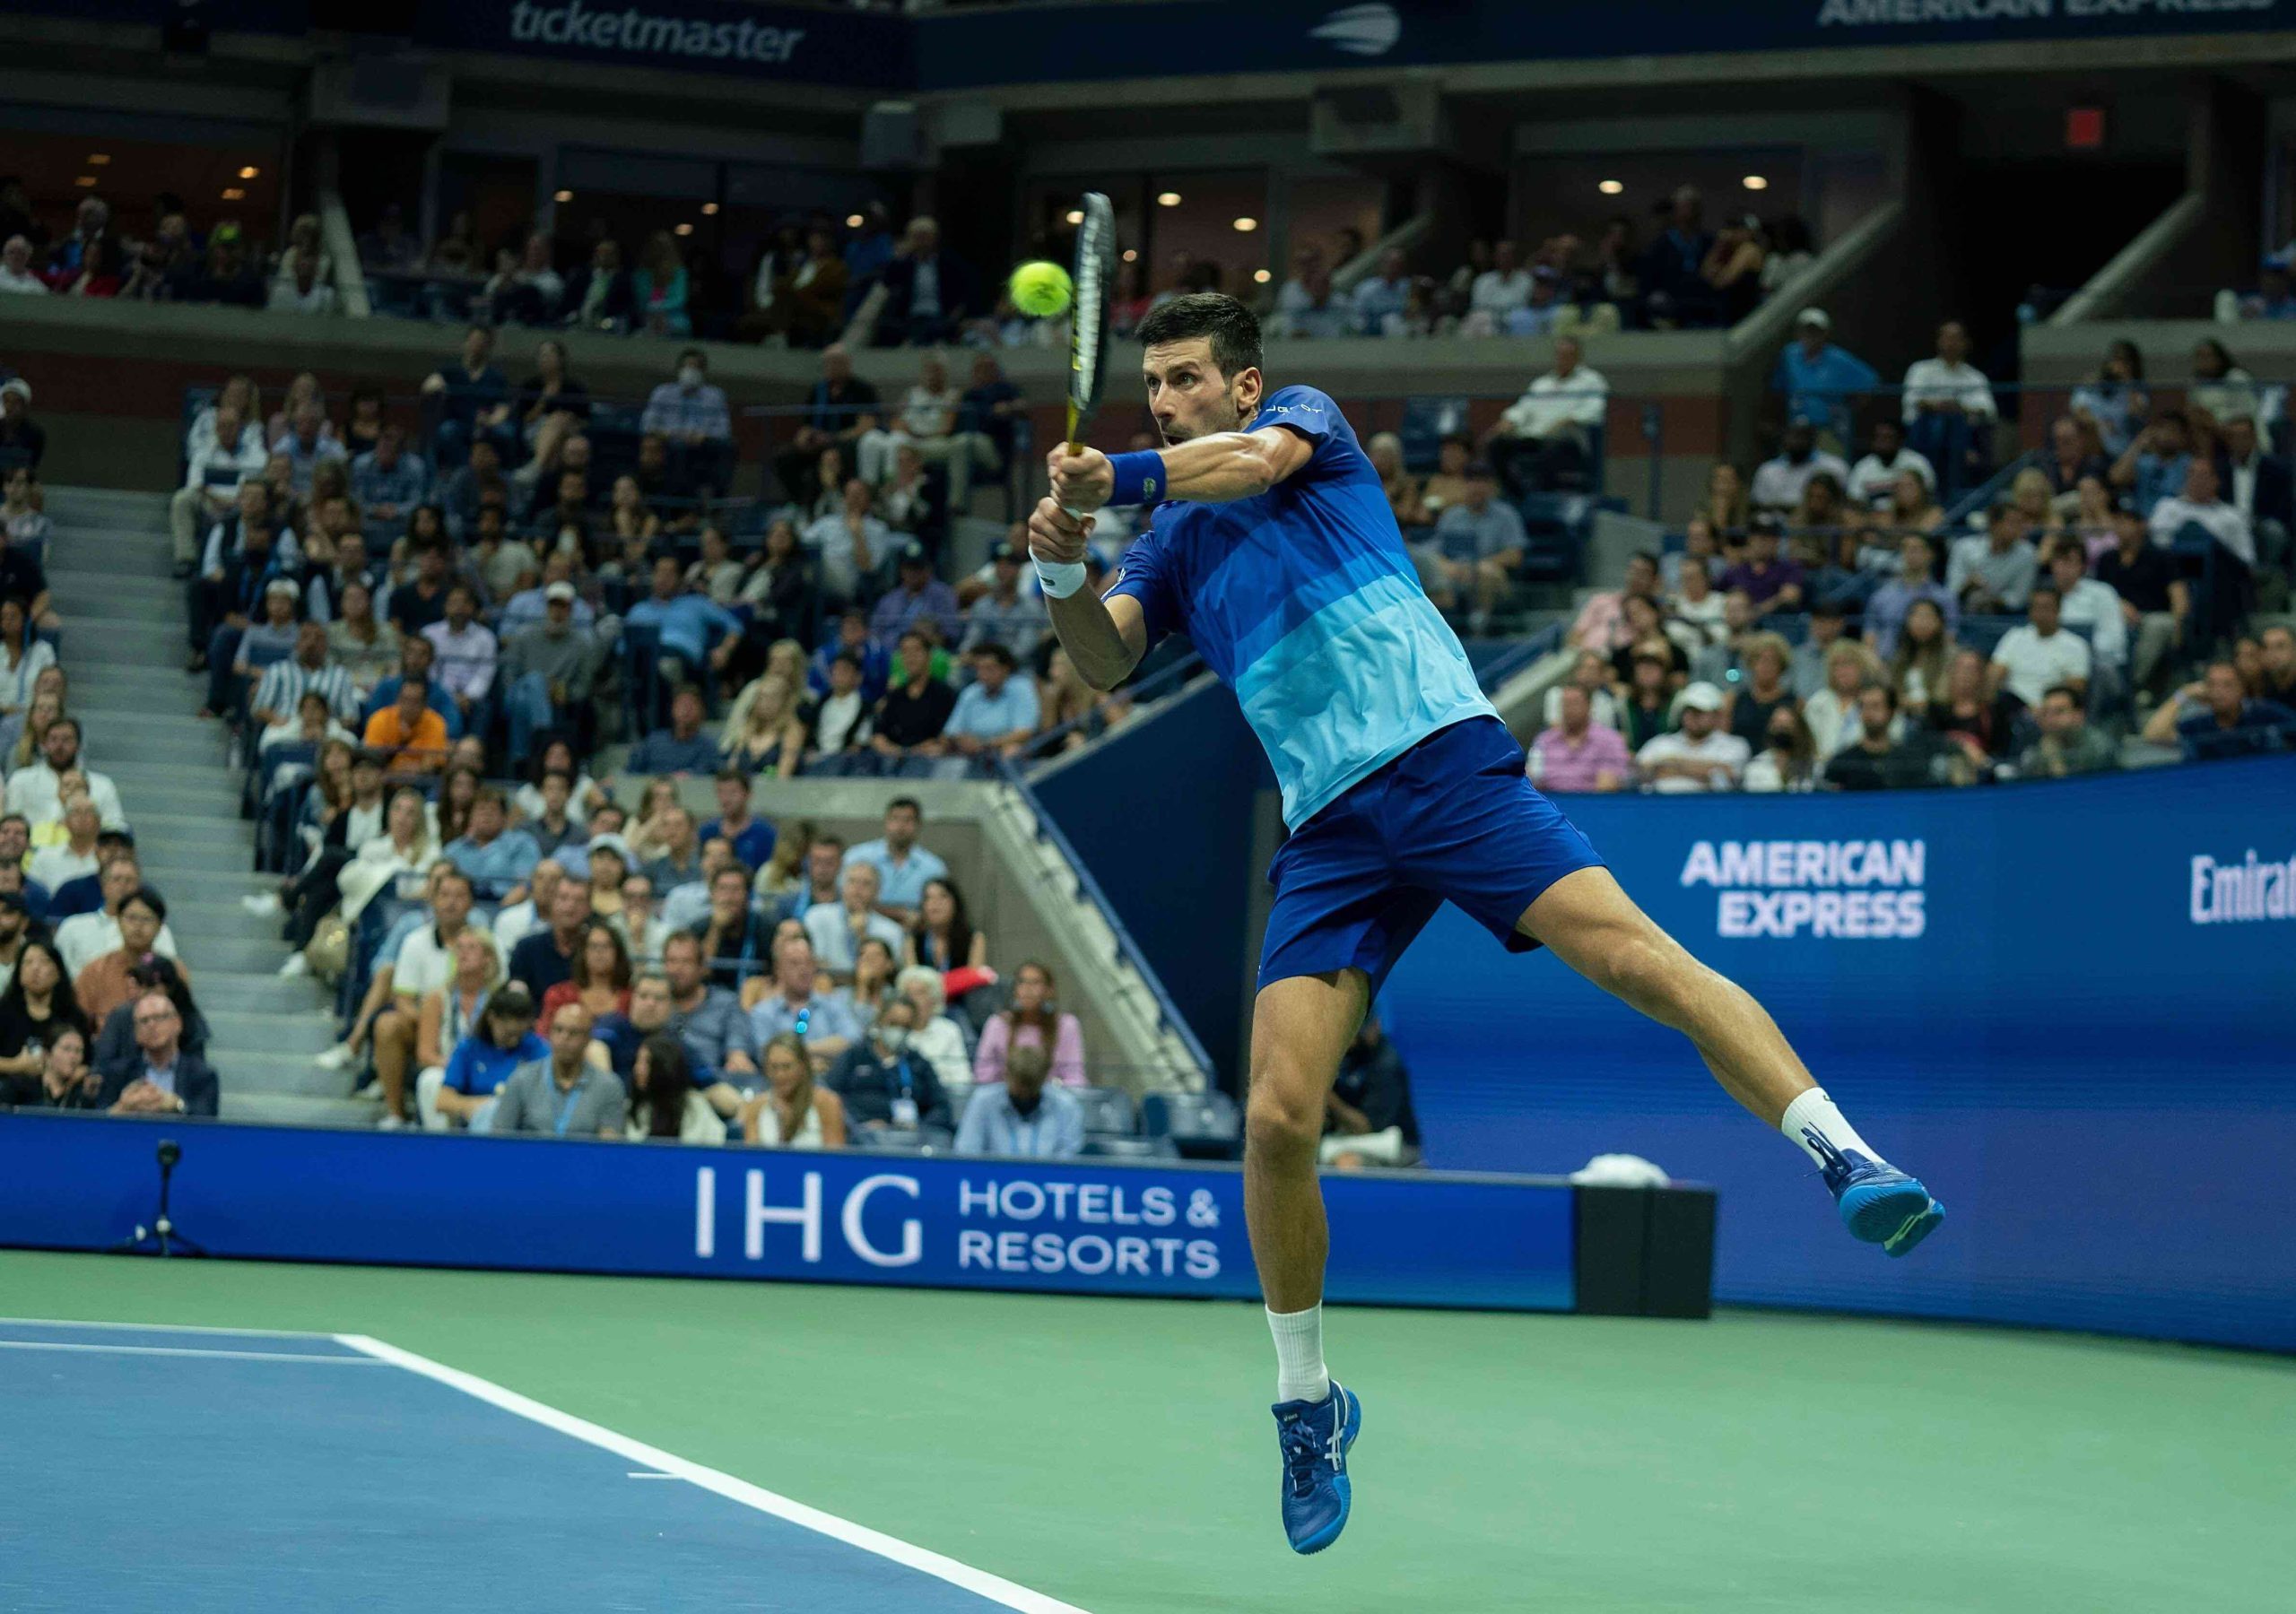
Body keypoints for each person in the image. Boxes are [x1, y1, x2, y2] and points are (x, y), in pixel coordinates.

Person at [1032, 290, 1944, 1552]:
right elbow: (1102, 658)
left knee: (1642, 962)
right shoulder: (1174, 544)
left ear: (1243, 385)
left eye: (1188, 379)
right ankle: (1307, 1402)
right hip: (1330, 830)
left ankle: (1848, 1156)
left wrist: (1116, 469)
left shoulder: (1301, 426)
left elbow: (1248, 466)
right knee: (1278, 1117)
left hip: (1444, 765)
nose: (1171, 400)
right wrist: (1059, 562)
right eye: (1156, 388)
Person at [420, 981, 545, 1132]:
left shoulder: (535, 1047)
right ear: (492, 1018)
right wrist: (477, 1105)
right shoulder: (469, 1048)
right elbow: (443, 1101)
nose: (514, 1040)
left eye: (519, 1034)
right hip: (478, 1124)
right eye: (508, 1033)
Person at [487, 1002, 622, 1138]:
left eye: (573, 1032)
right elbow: (500, 1138)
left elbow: (609, 1145)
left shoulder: (608, 1087)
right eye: (558, 1030)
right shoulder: (522, 1079)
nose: (564, 1038)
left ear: (588, 1039)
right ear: (549, 1034)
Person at [823, 997, 949, 1133]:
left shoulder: (918, 1063)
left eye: (905, 1026)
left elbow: (940, 1106)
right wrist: (858, 1123)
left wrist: (921, 1127)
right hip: (859, 1135)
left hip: (910, 1138)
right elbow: (829, 1095)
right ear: (880, 1020)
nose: (898, 1031)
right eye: (893, 1024)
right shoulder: (855, 1056)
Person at [97, 990, 219, 1118]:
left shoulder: (202, 1075)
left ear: (177, 1023)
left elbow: (206, 1123)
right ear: (136, 1033)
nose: (152, 1025)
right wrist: (123, 1106)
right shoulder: (118, 1073)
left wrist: (177, 1105)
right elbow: (98, 1123)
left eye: (159, 1017)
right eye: (144, 1020)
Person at [2142, 659, 2296, 761]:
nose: (2218, 692)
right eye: (2212, 685)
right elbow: (2153, 734)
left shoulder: (2263, 713)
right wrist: (2184, 693)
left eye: (2227, 685)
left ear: (2242, 689)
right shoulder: (2198, 724)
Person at [1321, 1013, 1421, 1168]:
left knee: (1349, 1164)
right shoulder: (1339, 1057)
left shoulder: (1386, 1064)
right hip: (1339, 1142)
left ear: (1376, 1026)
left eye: (1360, 1030)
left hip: (1393, 1147)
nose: (1352, 1038)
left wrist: (1325, 1095)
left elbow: (1365, 1127)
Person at [952, 1042, 1083, 1159]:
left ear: (1044, 1078)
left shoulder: (1066, 1106)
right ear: (1007, 1074)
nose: (1025, 1094)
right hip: (991, 1179)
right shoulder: (983, 1101)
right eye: (1020, 1087)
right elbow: (967, 1153)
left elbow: (1068, 1161)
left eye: (1031, 1086)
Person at [971, 959, 1085, 1088]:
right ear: (1015, 989)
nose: (1028, 989)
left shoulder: (1067, 1025)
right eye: (1022, 982)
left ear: (1049, 990)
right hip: (1006, 1098)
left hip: (1053, 1099)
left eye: (1035, 983)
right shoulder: (997, 1024)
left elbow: (1075, 1078)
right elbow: (983, 1075)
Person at [1987, 584, 2092, 714]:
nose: (2040, 613)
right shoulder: (2015, 636)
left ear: (2058, 610)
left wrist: (2045, 709)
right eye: (2035, 607)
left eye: (2046, 608)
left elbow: (2075, 690)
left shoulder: (2076, 645)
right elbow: (1994, 674)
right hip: (2012, 706)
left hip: (2050, 709)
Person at [1632, 681, 1749, 793]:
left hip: (1713, 809)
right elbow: (1640, 772)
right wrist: (1708, 772)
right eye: (1689, 710)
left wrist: (1672, 763)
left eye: (1701, 712)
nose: (1694, 716)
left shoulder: (1734, 745)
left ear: (1716, 714)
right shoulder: (1659, 743)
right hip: (1662, 809)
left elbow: (1731, 775)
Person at [738, 1030, 848, 1149]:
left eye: (787, 1067)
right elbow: (752, 1158)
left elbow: (835, 1158)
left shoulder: (826, 1103)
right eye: (774, 1067)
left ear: (802, 1067)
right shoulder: (755, 1107)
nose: (780, 1075)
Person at [1824, 683, 1940, 792]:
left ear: (1891, 712)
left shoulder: (1910, 762)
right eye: (1864, 707)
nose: (1868, 713)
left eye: (1875, 706)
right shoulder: (1842, 763)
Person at [804, 859, 906, 977]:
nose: (858, 889)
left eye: (866, 883)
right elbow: (813, 961)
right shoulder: (817, 915)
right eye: (852, 881)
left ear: (878, 892)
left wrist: (862, 937)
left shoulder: (892, 931)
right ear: (842, 886)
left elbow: (887, 974)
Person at [1526, 684, 1630, 793]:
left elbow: (1607, 786)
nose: (1569, 710)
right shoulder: (1544, 740)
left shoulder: (1610, 741)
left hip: (1591, 805)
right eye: (1565, 704)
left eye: (1575, 703)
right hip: (1549, 804)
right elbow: (1531, 779)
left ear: (1589, 706)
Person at [625, 1033, 726, 1143]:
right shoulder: (633, 1107)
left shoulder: (695, 1105)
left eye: (647, 1063)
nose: (638, 1069)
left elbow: (714, 1146)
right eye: (638, 1061)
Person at [2019, 684, 2118, 779]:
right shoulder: (2032, 747)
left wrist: (2056, 763)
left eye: (2059, 712)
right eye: (2045, 712)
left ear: (2078, 715)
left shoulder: (2100, 747)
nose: (2050, 718)